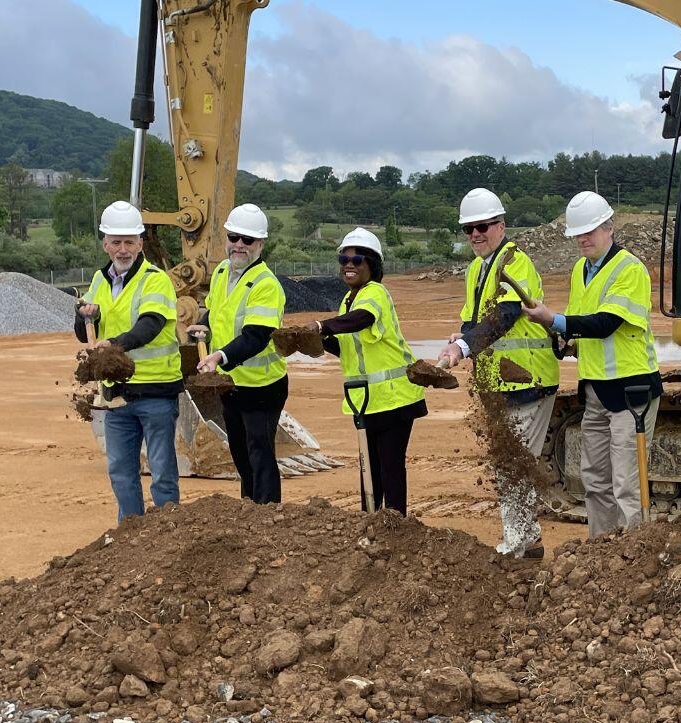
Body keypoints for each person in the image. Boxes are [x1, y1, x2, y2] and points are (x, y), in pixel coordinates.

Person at [524, 191, 661, 538]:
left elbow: (604, 323)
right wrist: (565, 338)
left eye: (590, 231)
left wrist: (554, 319)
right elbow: (581, 322)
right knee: (595, 480)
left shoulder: (629, 269)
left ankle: (633, 550)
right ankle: (601, 550)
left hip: (631, 391)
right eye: (578, 234)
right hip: (595, 390)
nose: (583, 239)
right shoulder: (580, 270)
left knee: (627, 482)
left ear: (609, 228)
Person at [438, 188, 559, 558]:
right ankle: (528, 541)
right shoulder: (477, 269)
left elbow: (505, 315)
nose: (475, 234)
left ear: (501, 225)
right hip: (498, 384)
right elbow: (473, 318)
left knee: (514, 464)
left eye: (483, 226)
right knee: (507, 463)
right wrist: (463, 335)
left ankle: (519, 544)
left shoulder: (514, 261)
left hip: (528, 379)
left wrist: (463, 347)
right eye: (468, 229)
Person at [75, 201, 182, 523]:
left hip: (156, 391)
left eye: (129, 242)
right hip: (116, 395)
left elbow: (150, 325)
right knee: (121, 472)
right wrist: (84, 317)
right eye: (116, 242)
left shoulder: (155, 279)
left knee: (162, 473)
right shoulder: (99, 280)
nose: (123, 249)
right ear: (105, 244)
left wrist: (114, 346)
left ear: (140, 243)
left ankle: (167, 532)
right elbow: (83, 334)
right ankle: (130, 534)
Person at [311, 227, 427, 515]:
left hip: (395, 399)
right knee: (369, 469)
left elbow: (362, 319)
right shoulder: (347, 300)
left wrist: (323, 326)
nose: (349, 265)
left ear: (372, 265)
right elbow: (347, 347)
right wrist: (316, 341)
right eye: (344, 259)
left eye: (357, 259)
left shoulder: (375, 293)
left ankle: (396, 525)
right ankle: (370, 522)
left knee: (390, 467)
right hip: (366, 400)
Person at [186, 203, 287, 505]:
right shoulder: (221, 271)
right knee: (241, 454)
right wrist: (203, 325)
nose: (239, 245)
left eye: (248, 240)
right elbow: (216, 312)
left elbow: (256, 336)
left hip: (262, 386)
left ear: (260, 244)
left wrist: (219, 356)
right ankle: (248, 509)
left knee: (260, 453)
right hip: (231, 384)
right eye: (234, 237)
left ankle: (267, 513)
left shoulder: (266, 284)